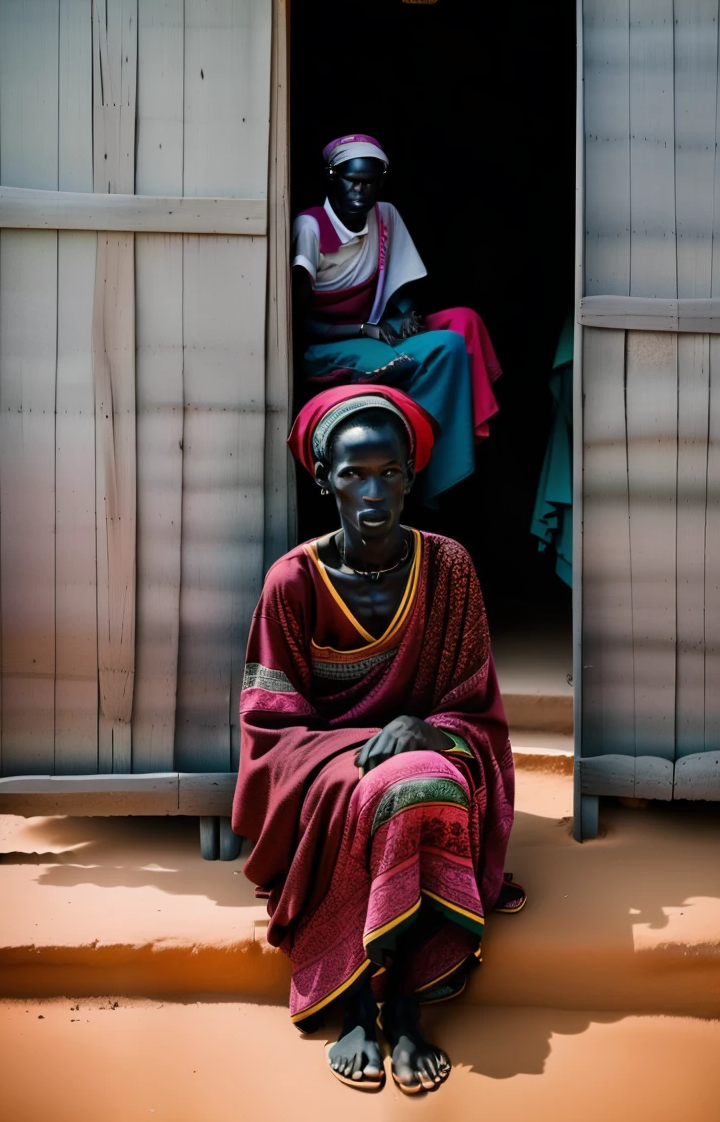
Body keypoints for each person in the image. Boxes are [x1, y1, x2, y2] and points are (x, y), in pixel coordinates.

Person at [232, 384, 523, 1095]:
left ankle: (407, 1001)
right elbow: (269, 724)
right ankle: (359, 1002)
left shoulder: (449, 567)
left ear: (410, 478)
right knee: (381, 789)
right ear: (323, 478)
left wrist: (426, 729)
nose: (373, 492)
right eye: (354, 473)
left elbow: (475, 710)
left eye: (390, 473)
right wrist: (352, 753)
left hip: (423, 750)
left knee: (425, 782)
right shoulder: (292, 581)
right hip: (321, 766)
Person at [291, 133, 502, 504]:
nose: (360, 190)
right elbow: (298, 318)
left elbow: (397, 285)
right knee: (448, 346)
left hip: (376, 328)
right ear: (332, 177)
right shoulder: (311, 226)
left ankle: (456, 438)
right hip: (332, 343)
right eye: (351, 181)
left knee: (464, 321)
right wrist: (363, 329)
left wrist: (405, 314)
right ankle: (428, 462)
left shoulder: (384, 215)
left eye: (370, 182)